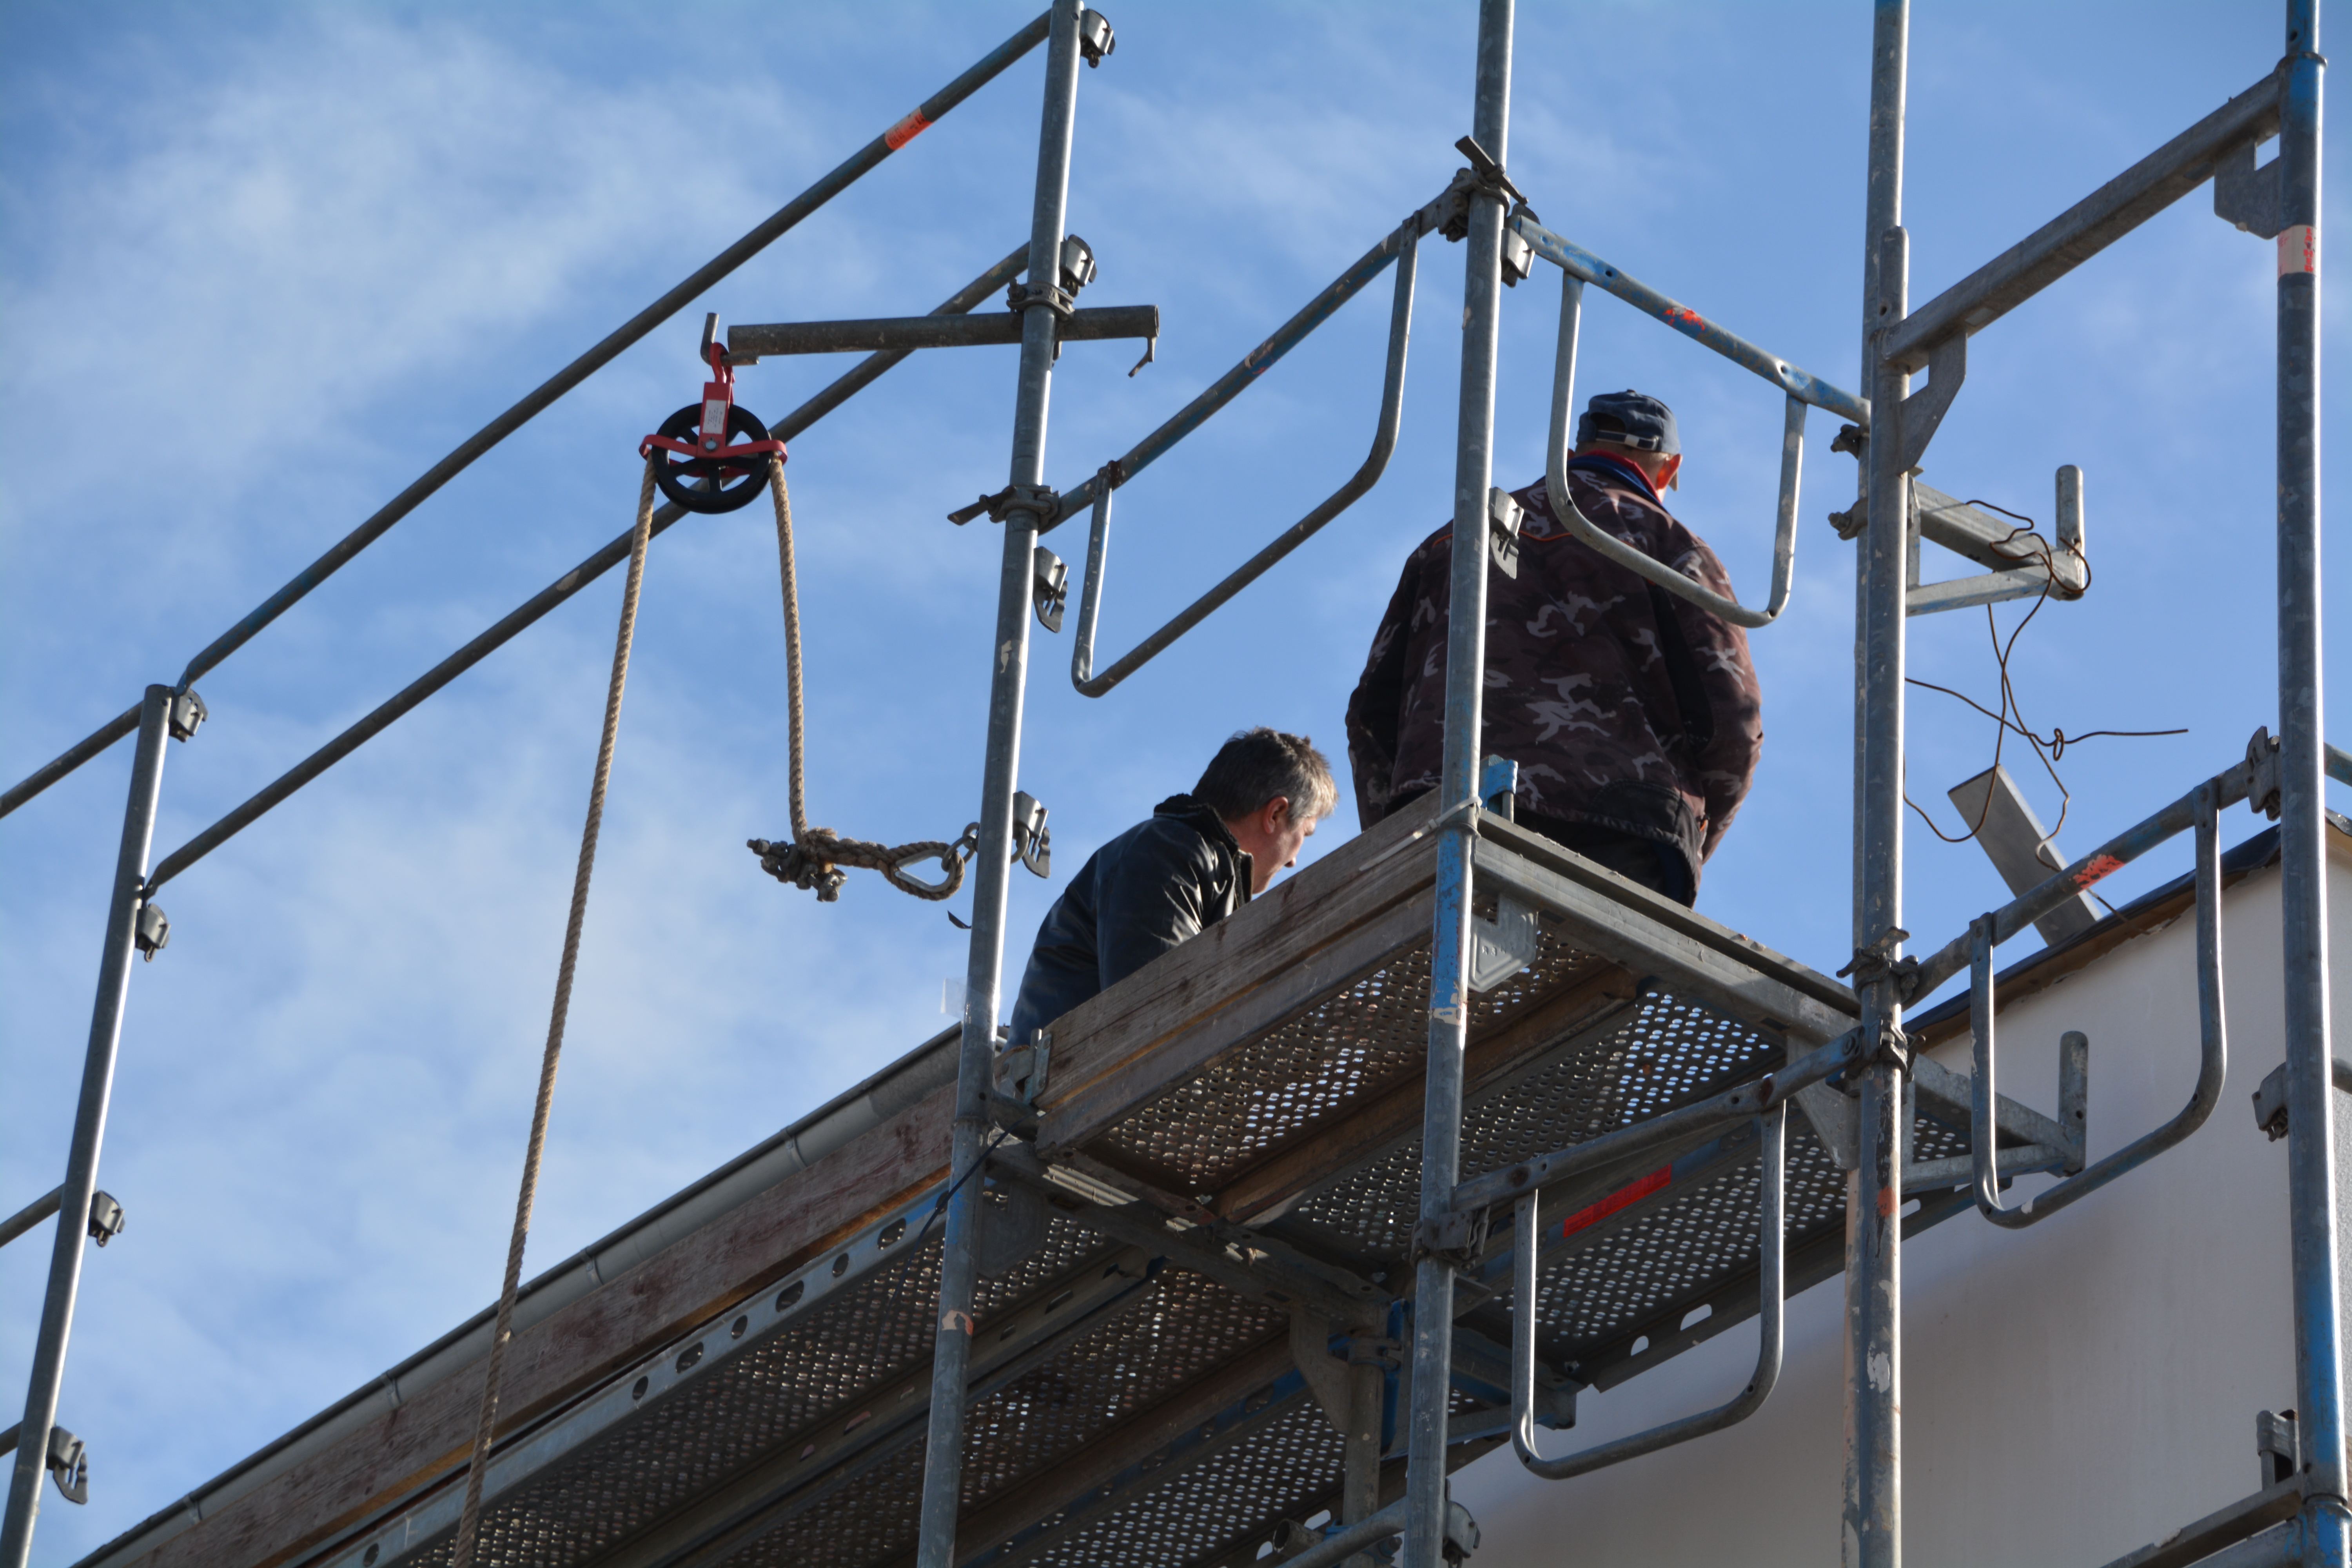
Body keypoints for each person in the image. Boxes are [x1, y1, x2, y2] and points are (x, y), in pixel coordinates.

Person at [1344, 389, 1762, 907]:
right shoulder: (1671, 546)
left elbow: (1371, 715)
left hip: (1447, 811)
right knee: (1595, 986)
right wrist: (1688, 842)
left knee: (1455, 985)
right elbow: (1733, 722)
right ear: (1667, 470)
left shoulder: (1456, 538)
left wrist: (1394, 828)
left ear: (1572, 456)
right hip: (1619, 833)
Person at [1008, 727, 1338, 1044]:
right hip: (1062, 1094)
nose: (1295, 861)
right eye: (1304, 835)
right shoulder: (1169, 852)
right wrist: (1319, 1025)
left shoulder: (1189, 862)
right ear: (1276, 814)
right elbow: (1161, 1011)